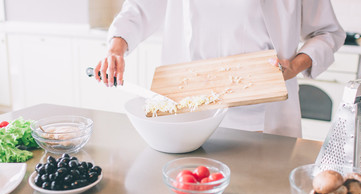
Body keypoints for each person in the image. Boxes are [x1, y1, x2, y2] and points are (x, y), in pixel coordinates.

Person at [94, 0, 345, 138]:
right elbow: (139, 9)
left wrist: (294, 66)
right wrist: (117, 47)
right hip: (189, 112)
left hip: (267, 118)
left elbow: (328, 32)